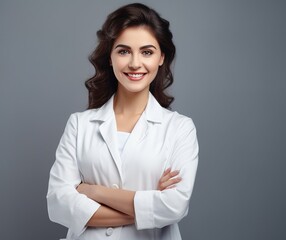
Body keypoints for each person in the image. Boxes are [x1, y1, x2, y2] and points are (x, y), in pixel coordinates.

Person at [46, 3, 199, 240]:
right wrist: (149, 200)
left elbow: (174, 206)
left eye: (147, 52)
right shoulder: (79, 125)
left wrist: (92, 191)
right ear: (110, 57)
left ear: (161, 58)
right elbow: (58, 204)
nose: (135, 63)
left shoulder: (179, 128)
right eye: (124, 51)